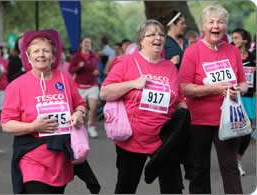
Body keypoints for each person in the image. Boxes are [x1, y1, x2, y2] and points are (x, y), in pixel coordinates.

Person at [100, 19, 187, 194]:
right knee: (126, 187)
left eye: (161, 34)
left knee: (173, 188)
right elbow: (105, 92)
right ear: (141, 40)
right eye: (152, 34)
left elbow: (179, 100)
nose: (158, 37)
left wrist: (185, 115)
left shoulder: (170, 67)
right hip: (133, 139)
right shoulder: (126, 62)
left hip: (164, 139)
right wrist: (132, 84)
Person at [1, 29, 87, 194]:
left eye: (46, 50)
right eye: (36, 51)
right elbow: (6, 124)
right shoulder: (16, 86)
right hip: (32, 158)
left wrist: (79, 114)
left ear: (54, 57)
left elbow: (80, 104)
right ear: (28, 57)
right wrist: (33, 126)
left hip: (61, 158)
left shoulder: (65, 79)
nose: (41, 54)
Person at [178, 5, 248, 194]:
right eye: (211, 22)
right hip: (199, 120)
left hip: (228, 119)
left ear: (226, 26)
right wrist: (214, 89)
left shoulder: (233, 51)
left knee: (230, 167)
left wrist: (236, 90)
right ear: (203, 26)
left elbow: (243, 83)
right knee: (199, 169)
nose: (216, 26)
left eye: (220, 22)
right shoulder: (192, 51)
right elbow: (184, 87)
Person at [232, 28, 256, 176]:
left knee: (247, 133)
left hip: (249, 98)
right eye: (233, 38)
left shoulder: (252, 57)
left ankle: (237, 159)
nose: (233, 40)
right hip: (235, 97)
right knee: (236, 131)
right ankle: (233, 163)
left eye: (236, 38)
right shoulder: (230, 56)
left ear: (245, 40)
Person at [69, 37, 100, 138]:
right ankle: (80, 127)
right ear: (81, 44)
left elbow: (96, 69)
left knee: (94, 107)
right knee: (80, 110)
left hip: (92, 85)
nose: (87, 44)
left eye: (89, 42)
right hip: (79, 86)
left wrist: (96, 72)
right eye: (85, 42)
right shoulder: (76, 56)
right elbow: (71, 70)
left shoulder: (94, 56)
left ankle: (91, 126)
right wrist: (79, 66)